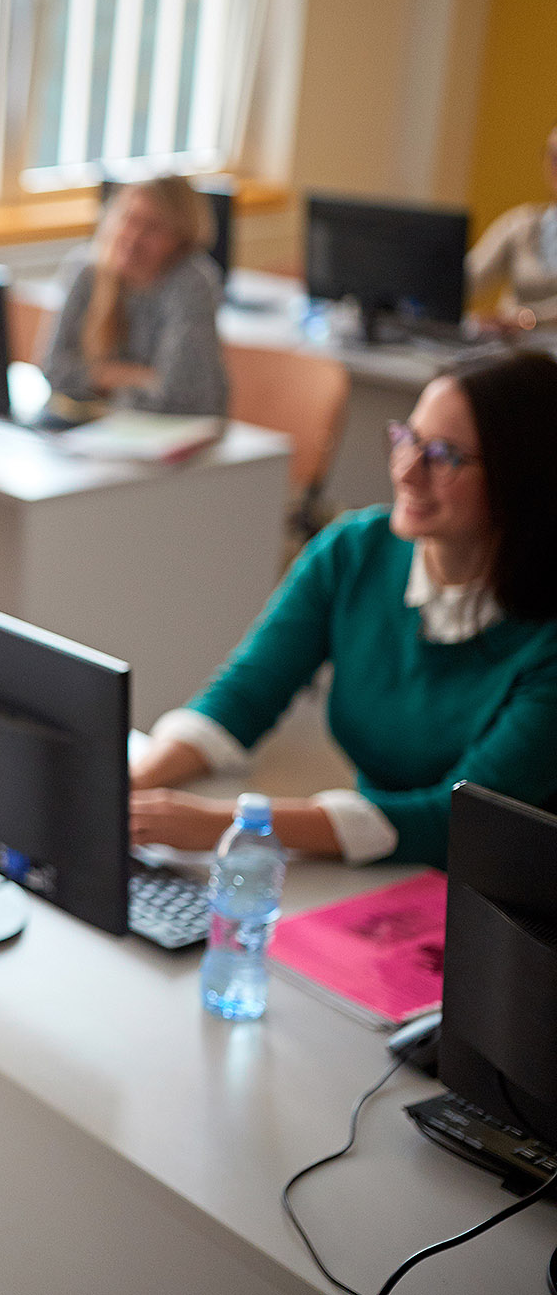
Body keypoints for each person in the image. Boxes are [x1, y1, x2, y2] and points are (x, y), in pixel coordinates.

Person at [130, 351, 557, 869]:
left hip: (501, 893)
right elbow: (243, 695)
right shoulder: (354, 550)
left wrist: (234, 825)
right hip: (379, 865)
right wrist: (134, 784)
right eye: (407, 438)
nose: (406, 470)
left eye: (444, 455)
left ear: (523, 477)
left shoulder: (545, 640)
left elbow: (457, 819)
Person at [38, 176, 228, 419]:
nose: (133, 236)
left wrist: (95, 381)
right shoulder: (85, 269)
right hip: (95, 427)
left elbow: (177, 395)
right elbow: (54, 370)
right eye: (128, 218)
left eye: (152, 227)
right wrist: (137, 376)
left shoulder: (191, 284)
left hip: (174, 431)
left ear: (180, 239)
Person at [466, 122, 557, 330]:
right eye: (552, 154)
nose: (555, 163)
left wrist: (526, 320)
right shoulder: (522, 223)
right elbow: (468, 277)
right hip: (513, 352)